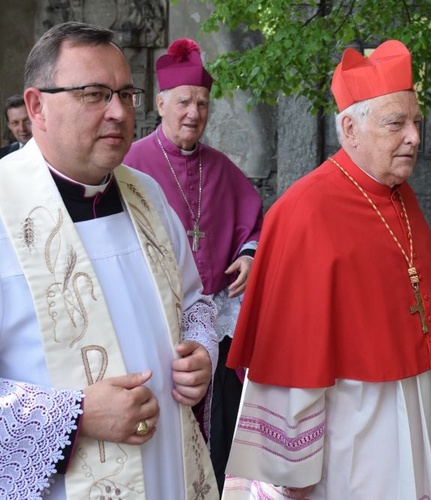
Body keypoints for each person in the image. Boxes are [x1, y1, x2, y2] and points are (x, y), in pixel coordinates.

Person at [222, 40, 431, 499]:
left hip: (407, 412)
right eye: (396, 123)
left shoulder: (403, 197)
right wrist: (292, 468)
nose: (414, 137)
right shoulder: (304, 211)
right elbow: (288, 351)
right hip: (346, 432)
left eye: (416, 122)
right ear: (350, 127)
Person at [0, 22, 219, 499]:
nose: (119, 112)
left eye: (125, 93)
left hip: (171, 473)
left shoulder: (149, 195)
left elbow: (194, 302)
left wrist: (201, 351)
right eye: (95, 94)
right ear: (37, 106)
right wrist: (74, 416)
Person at [123, 37, 263, 490]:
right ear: (161, 102)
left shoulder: (221, 167)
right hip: (158, 326)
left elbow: (255, 224)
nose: (194, 113)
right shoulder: (130, 164)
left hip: (215, 328)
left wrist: (246, 255)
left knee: (218, 432)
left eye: (202, 103)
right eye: (184, 101)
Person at [0, 94, 32, 158]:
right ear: (9, 126)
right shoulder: (3, 155)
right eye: (15, 123)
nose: (22, 128)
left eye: (27, 121)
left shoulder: (51, 152)